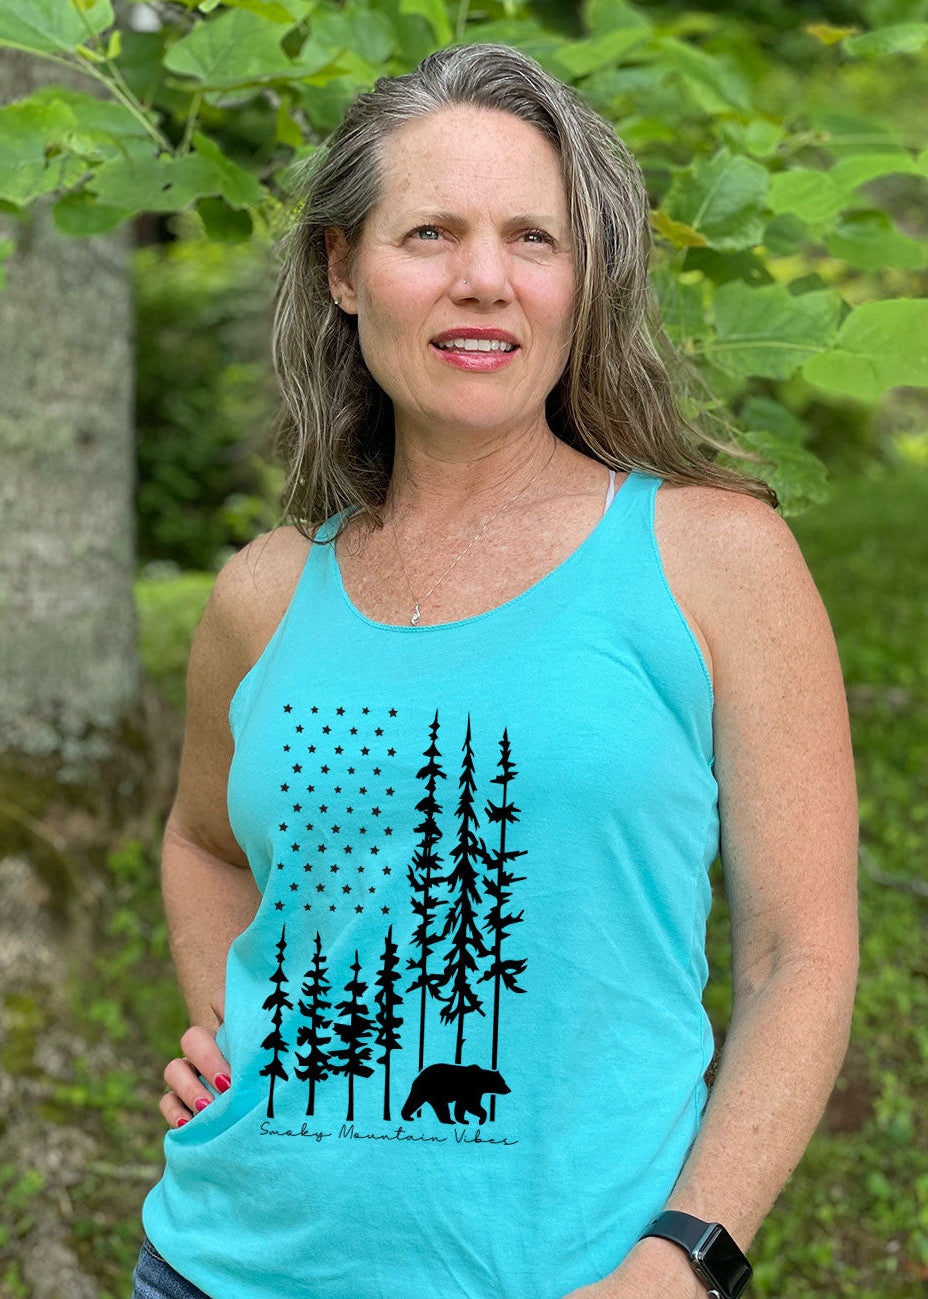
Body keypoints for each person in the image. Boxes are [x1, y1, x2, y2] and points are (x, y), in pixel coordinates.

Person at [131, 42, 859, 1299]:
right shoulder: (263, 593)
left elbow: (802, 955)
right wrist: (227, 1026)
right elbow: (202, 845)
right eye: (428, 234)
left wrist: (685, 1259)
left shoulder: (711, 559)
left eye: (534, 237)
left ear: (585, 280)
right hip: (223, 1266)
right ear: (343, 270)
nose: (484, 281)